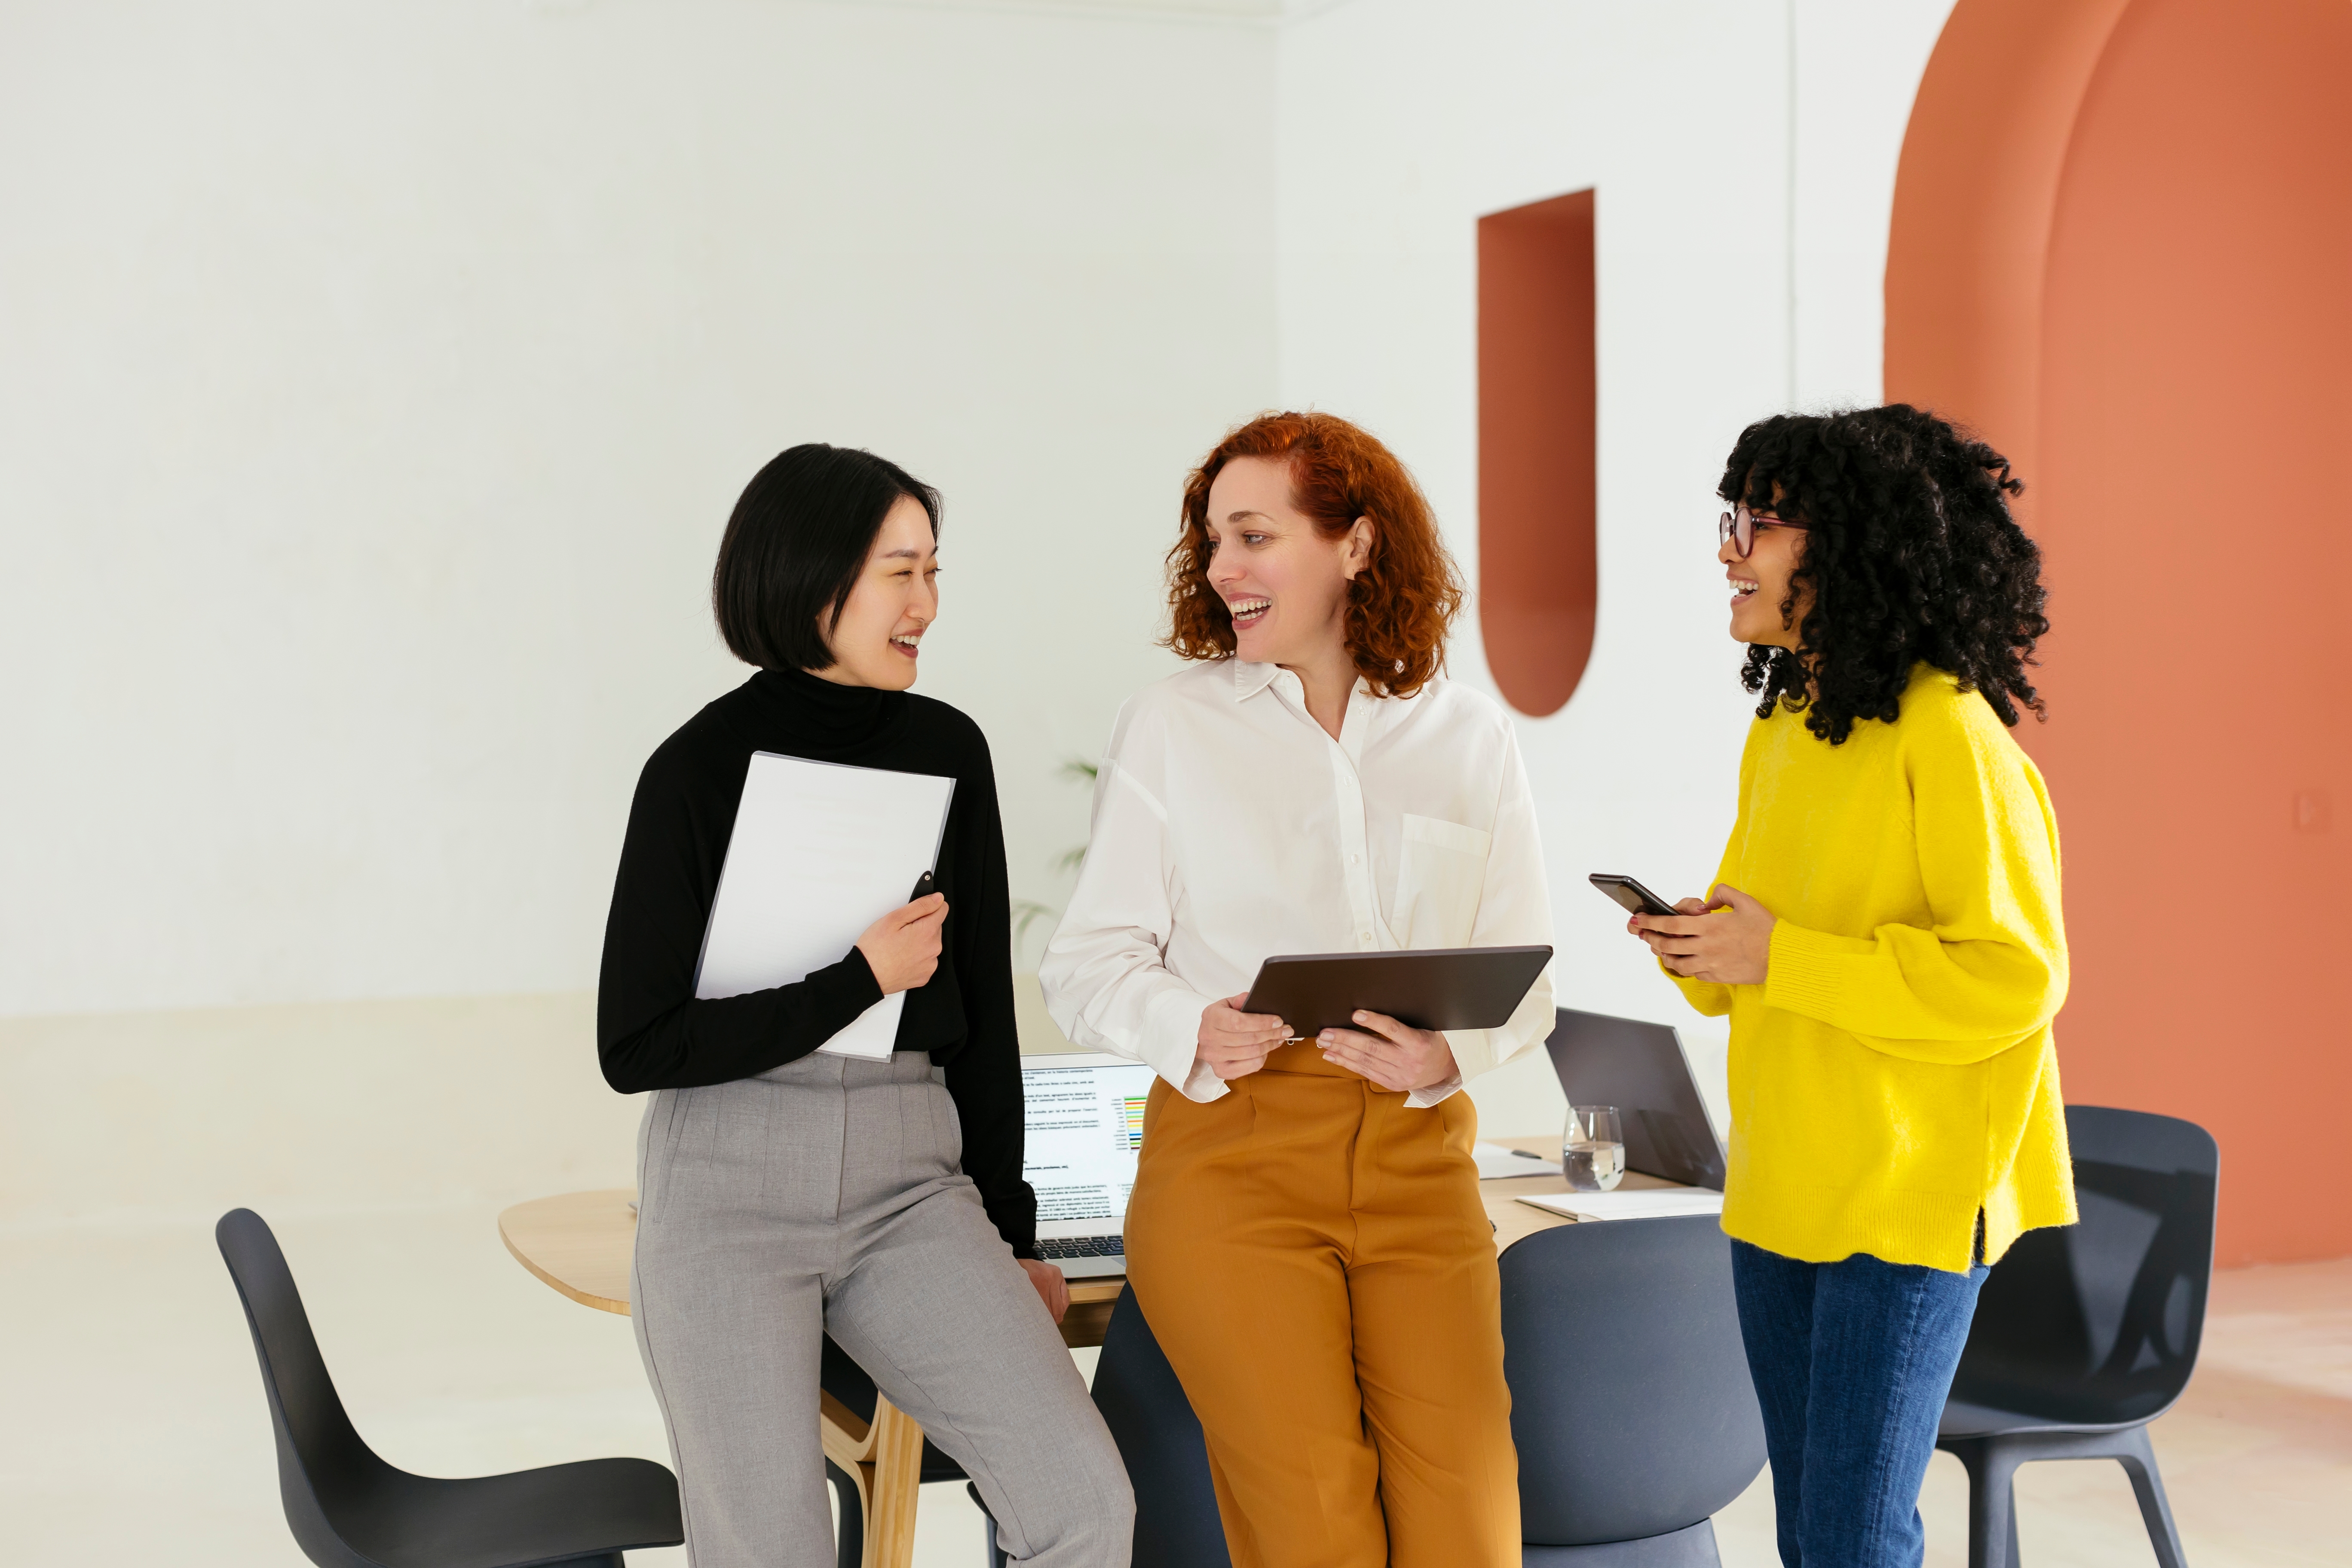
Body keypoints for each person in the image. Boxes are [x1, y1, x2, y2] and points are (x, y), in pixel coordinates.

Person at [597, 444, 1133, 1568]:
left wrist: (1012, 1234)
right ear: (813, 580)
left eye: (934, 571)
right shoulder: (694, 770)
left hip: (911, 1178)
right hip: (728, 1185)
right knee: (769, 1551)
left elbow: (982, 1015)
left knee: (1082, 1502)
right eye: (902, 573)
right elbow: (635, 1043)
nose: (927, 604)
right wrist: (856, 979)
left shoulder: (948, 747)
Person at [1040, 411, 1554, 1568]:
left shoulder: (1467, 737)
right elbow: (1088, 959)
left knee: (1470, 1524)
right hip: (1236, 1162)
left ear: (1358, 547)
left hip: (1423, 1164)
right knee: (1314, 1525)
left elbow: (1524, 975)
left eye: (1255, 535)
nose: (1222, 568)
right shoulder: (1173, 728)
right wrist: (1193, 1025)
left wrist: (1451, 1057)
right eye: (1213, 539)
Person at [1629, 406, 2076, 1568]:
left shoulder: (1956, 736)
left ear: (1854, 544)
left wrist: (1779, 957)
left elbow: (2016, 978)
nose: (1731, 549)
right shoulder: (1786, 725)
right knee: (1815, 1539)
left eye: (1761, 524)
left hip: (1911, 1199)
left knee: (1853, 1541)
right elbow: (1762, 954)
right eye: (1730, 521)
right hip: (1784, 1185)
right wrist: (1700, 950)